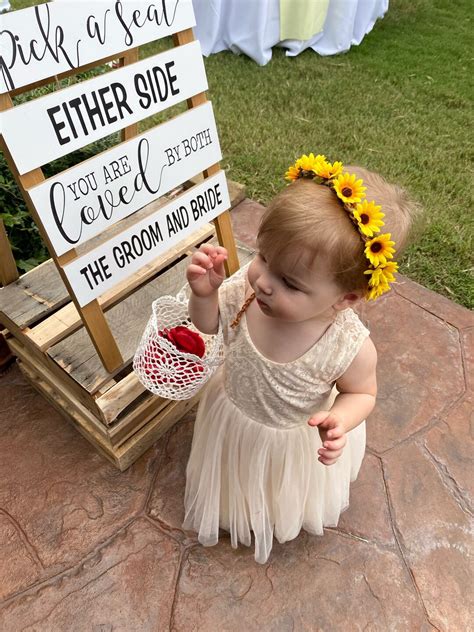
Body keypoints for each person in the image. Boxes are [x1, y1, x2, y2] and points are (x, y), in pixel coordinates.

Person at [182, 153, 417, 563]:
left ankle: (269, 512)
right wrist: (203, 297)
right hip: (235, 413)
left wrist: (340, 420)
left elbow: (363, 393)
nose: (264, 282)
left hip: (289, 440)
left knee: (272, 484)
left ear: (345, 298)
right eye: (264, 257)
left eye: (289, 282)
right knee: (234, 472)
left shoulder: (347, 345)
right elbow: (209, 329)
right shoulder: (244, 289)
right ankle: (232, 503)